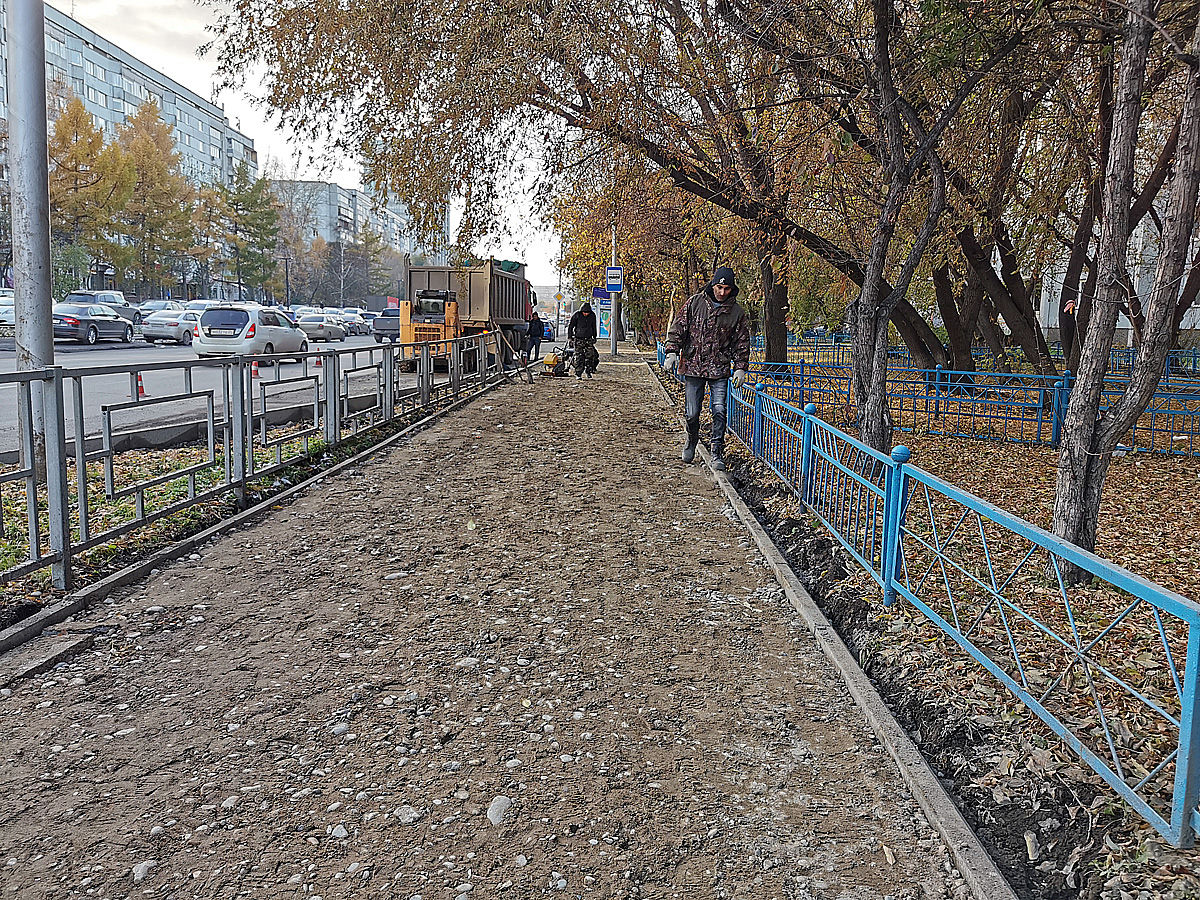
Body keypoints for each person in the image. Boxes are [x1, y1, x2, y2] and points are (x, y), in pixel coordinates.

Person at [662, 266, 750, 472]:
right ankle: (692, 439)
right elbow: (678, 329)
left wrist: (740, 368)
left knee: (719, 410)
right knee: (692, 413)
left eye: (727, 289)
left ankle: (717, 452)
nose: (722, 292)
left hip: (719, 369)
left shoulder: (736, 313)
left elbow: (742, 343)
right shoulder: (695, 303)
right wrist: (671, 352)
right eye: (719, 287)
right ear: (713, 285)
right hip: (693, 366)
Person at [567, 302, 599, 378]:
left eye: (587, 312)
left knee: (590, 356)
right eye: (584, 312)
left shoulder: (592, 316)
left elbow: (594, 326)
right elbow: (571, 326)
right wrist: (570, 337)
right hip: (578, 339)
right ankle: (578, 373)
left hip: (588, 338)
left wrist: (594, 336)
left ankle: (589, 371)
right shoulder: (577, 315)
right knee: (579, 356)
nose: (586, 314)